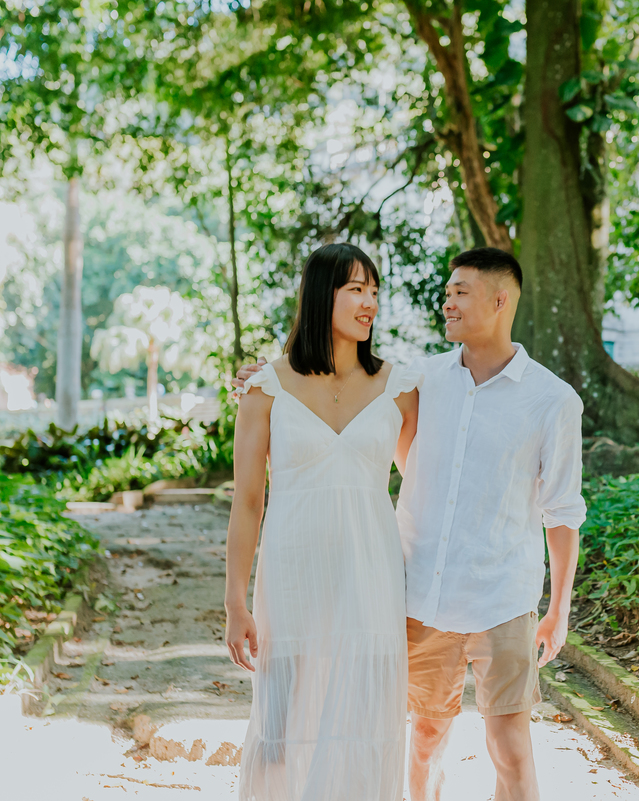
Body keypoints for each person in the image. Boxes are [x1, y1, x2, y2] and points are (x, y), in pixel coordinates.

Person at [236, 246, 586, 801]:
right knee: (422, 739)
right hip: (423, 594)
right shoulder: (421, 381)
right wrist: (272, 379)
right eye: (446, 291)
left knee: (511, 746)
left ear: (499, 301)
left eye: (459, 293)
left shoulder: (552, 400)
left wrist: (558, 610)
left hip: (503, 592)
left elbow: (563, 512)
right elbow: (378, 443)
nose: (445, 301)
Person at [224, 243, 420, 801]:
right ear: (320, 296)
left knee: (363, 726)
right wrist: (236, 602)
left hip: (370, 579)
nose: (370, 304)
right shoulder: (266, 388)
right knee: (279, 728)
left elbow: (426, 485)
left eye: (375, 292)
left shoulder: (401, 389)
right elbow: (246, 503)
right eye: (356, 289)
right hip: (291, 577)